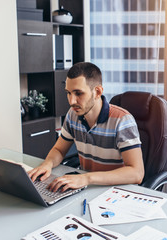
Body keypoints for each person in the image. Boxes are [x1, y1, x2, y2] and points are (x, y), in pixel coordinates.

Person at [28, 62, 144, 192]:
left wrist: (86, 178)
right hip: (87, 190)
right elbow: (59, 150)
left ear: (97, 92)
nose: (72, 101)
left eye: (78, 93)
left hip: (116, 193)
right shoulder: (73, 115)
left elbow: (137, 173)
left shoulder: (122, 121)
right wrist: (47, 164)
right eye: (69, 93)